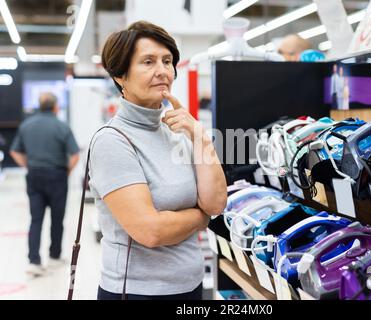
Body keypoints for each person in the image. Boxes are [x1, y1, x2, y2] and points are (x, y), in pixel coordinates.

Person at [91, 21, 227, 300]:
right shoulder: (112, 140)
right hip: (138, 291)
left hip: (189, 285)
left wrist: (199, 136)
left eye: (167, 61)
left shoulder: (178, 131)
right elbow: (150, 231)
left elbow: (215, 203)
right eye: (148, 62)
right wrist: (200, 217)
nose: (162, 71)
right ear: (120, 75)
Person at [9, 92, 80, 276]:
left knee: (35, 219)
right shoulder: (62, 126)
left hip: (34, 175)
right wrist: (66, 172)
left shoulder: (26, 125)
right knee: (57, 219)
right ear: (55, 107)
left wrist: (29, 165)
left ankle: (34, 261)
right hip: (57, 176)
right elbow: (75, 155)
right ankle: (54, 256)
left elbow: (15, 152)